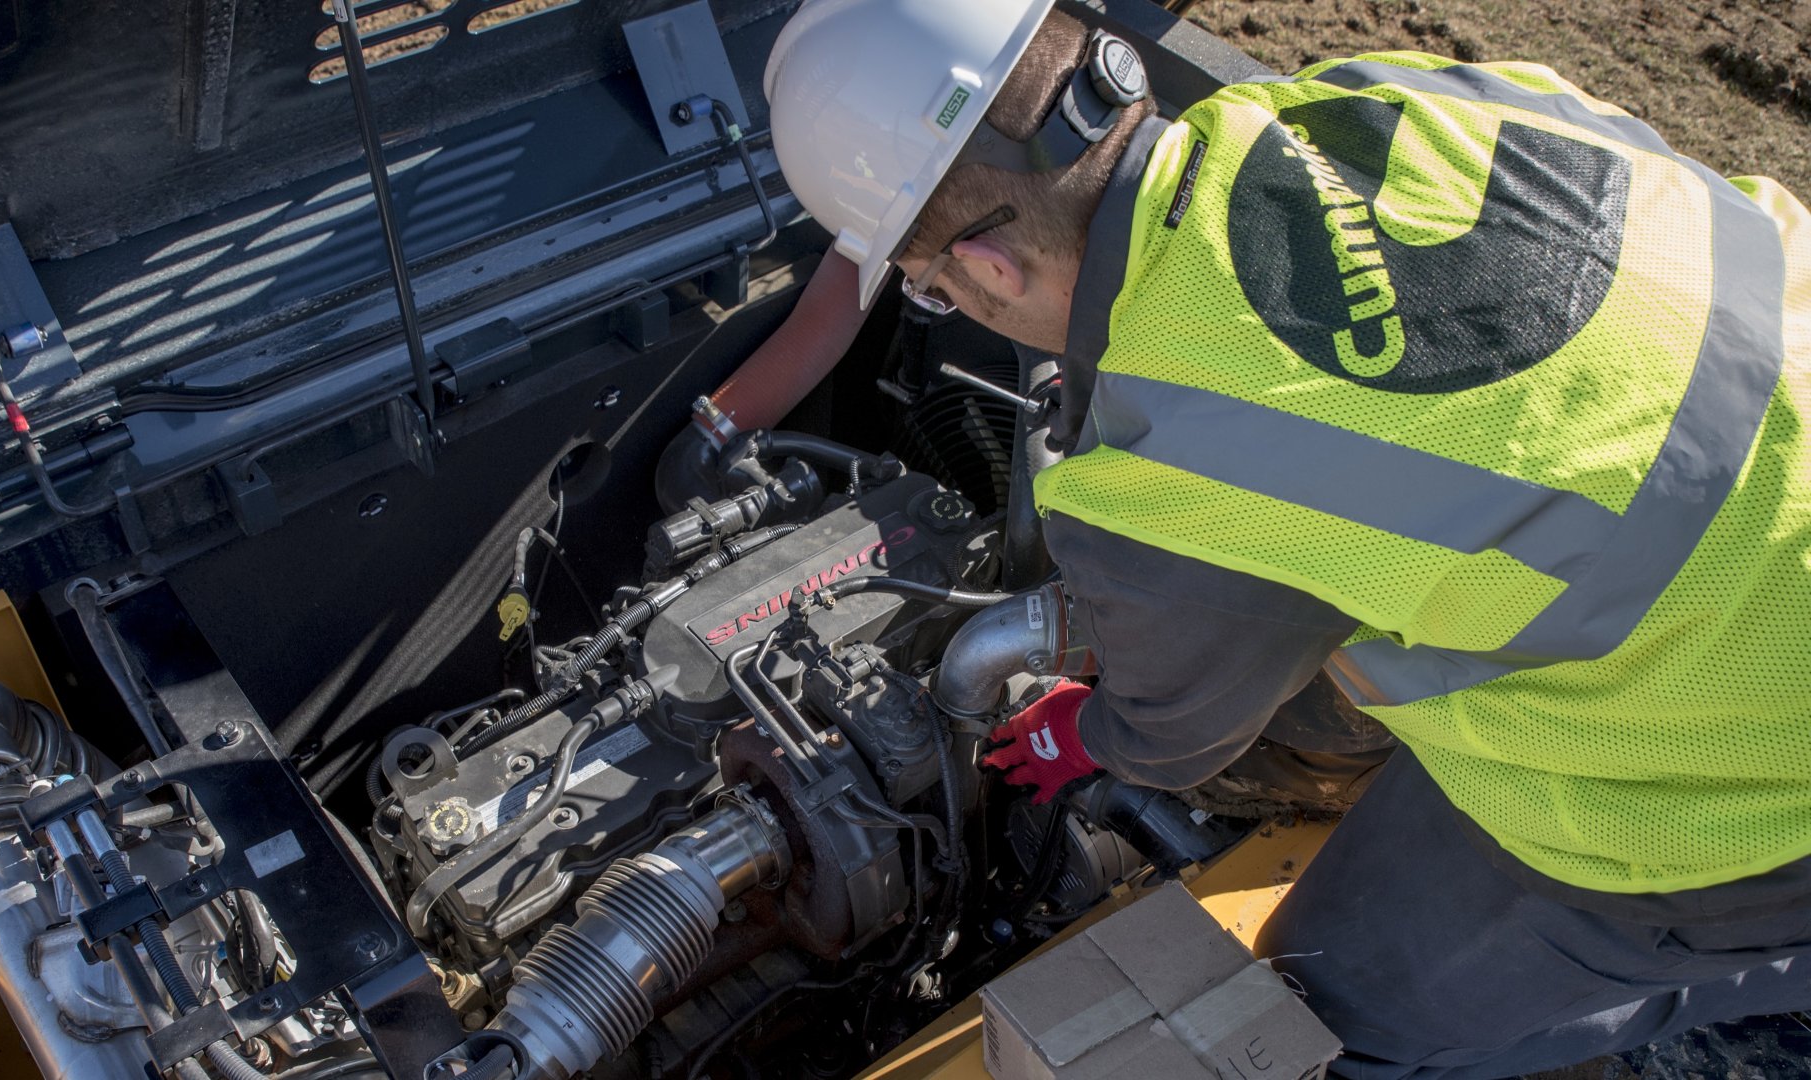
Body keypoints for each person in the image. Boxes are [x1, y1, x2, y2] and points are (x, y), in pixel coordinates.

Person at [754, 2, 1811, 1077]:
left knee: (1334, 1002)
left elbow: (1175, 742)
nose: (945, 304)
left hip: (1763, 763)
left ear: (989, 269)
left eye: (930, 287)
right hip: (1769, 470)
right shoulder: (1377, 95)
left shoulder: (1165, 476)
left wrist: (1092, 734)